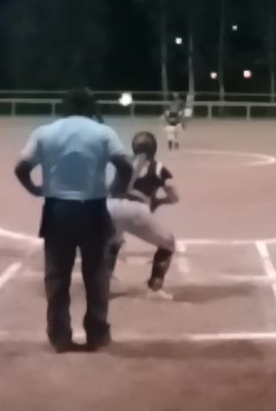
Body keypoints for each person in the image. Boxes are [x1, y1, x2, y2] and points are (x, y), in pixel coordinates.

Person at [14, 88, 135, 353]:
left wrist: (35, 189)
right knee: (97, 275)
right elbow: (125, 165)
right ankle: (97, 333)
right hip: (93, 208)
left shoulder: (45, 132)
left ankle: (59, 336)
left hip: (57, 209)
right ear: (90, 107)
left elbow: (21, 168)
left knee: (57, 276)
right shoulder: (103, 132)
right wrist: (116, 187)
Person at [105, 131, 181, 300]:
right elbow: (174, 197)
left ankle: (103, 286)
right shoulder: (159, 168)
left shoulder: (123, 161)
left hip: (109, 206)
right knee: (168, 243)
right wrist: (159, 201)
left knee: (113, 241)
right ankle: (154, 288)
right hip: (136, 210)